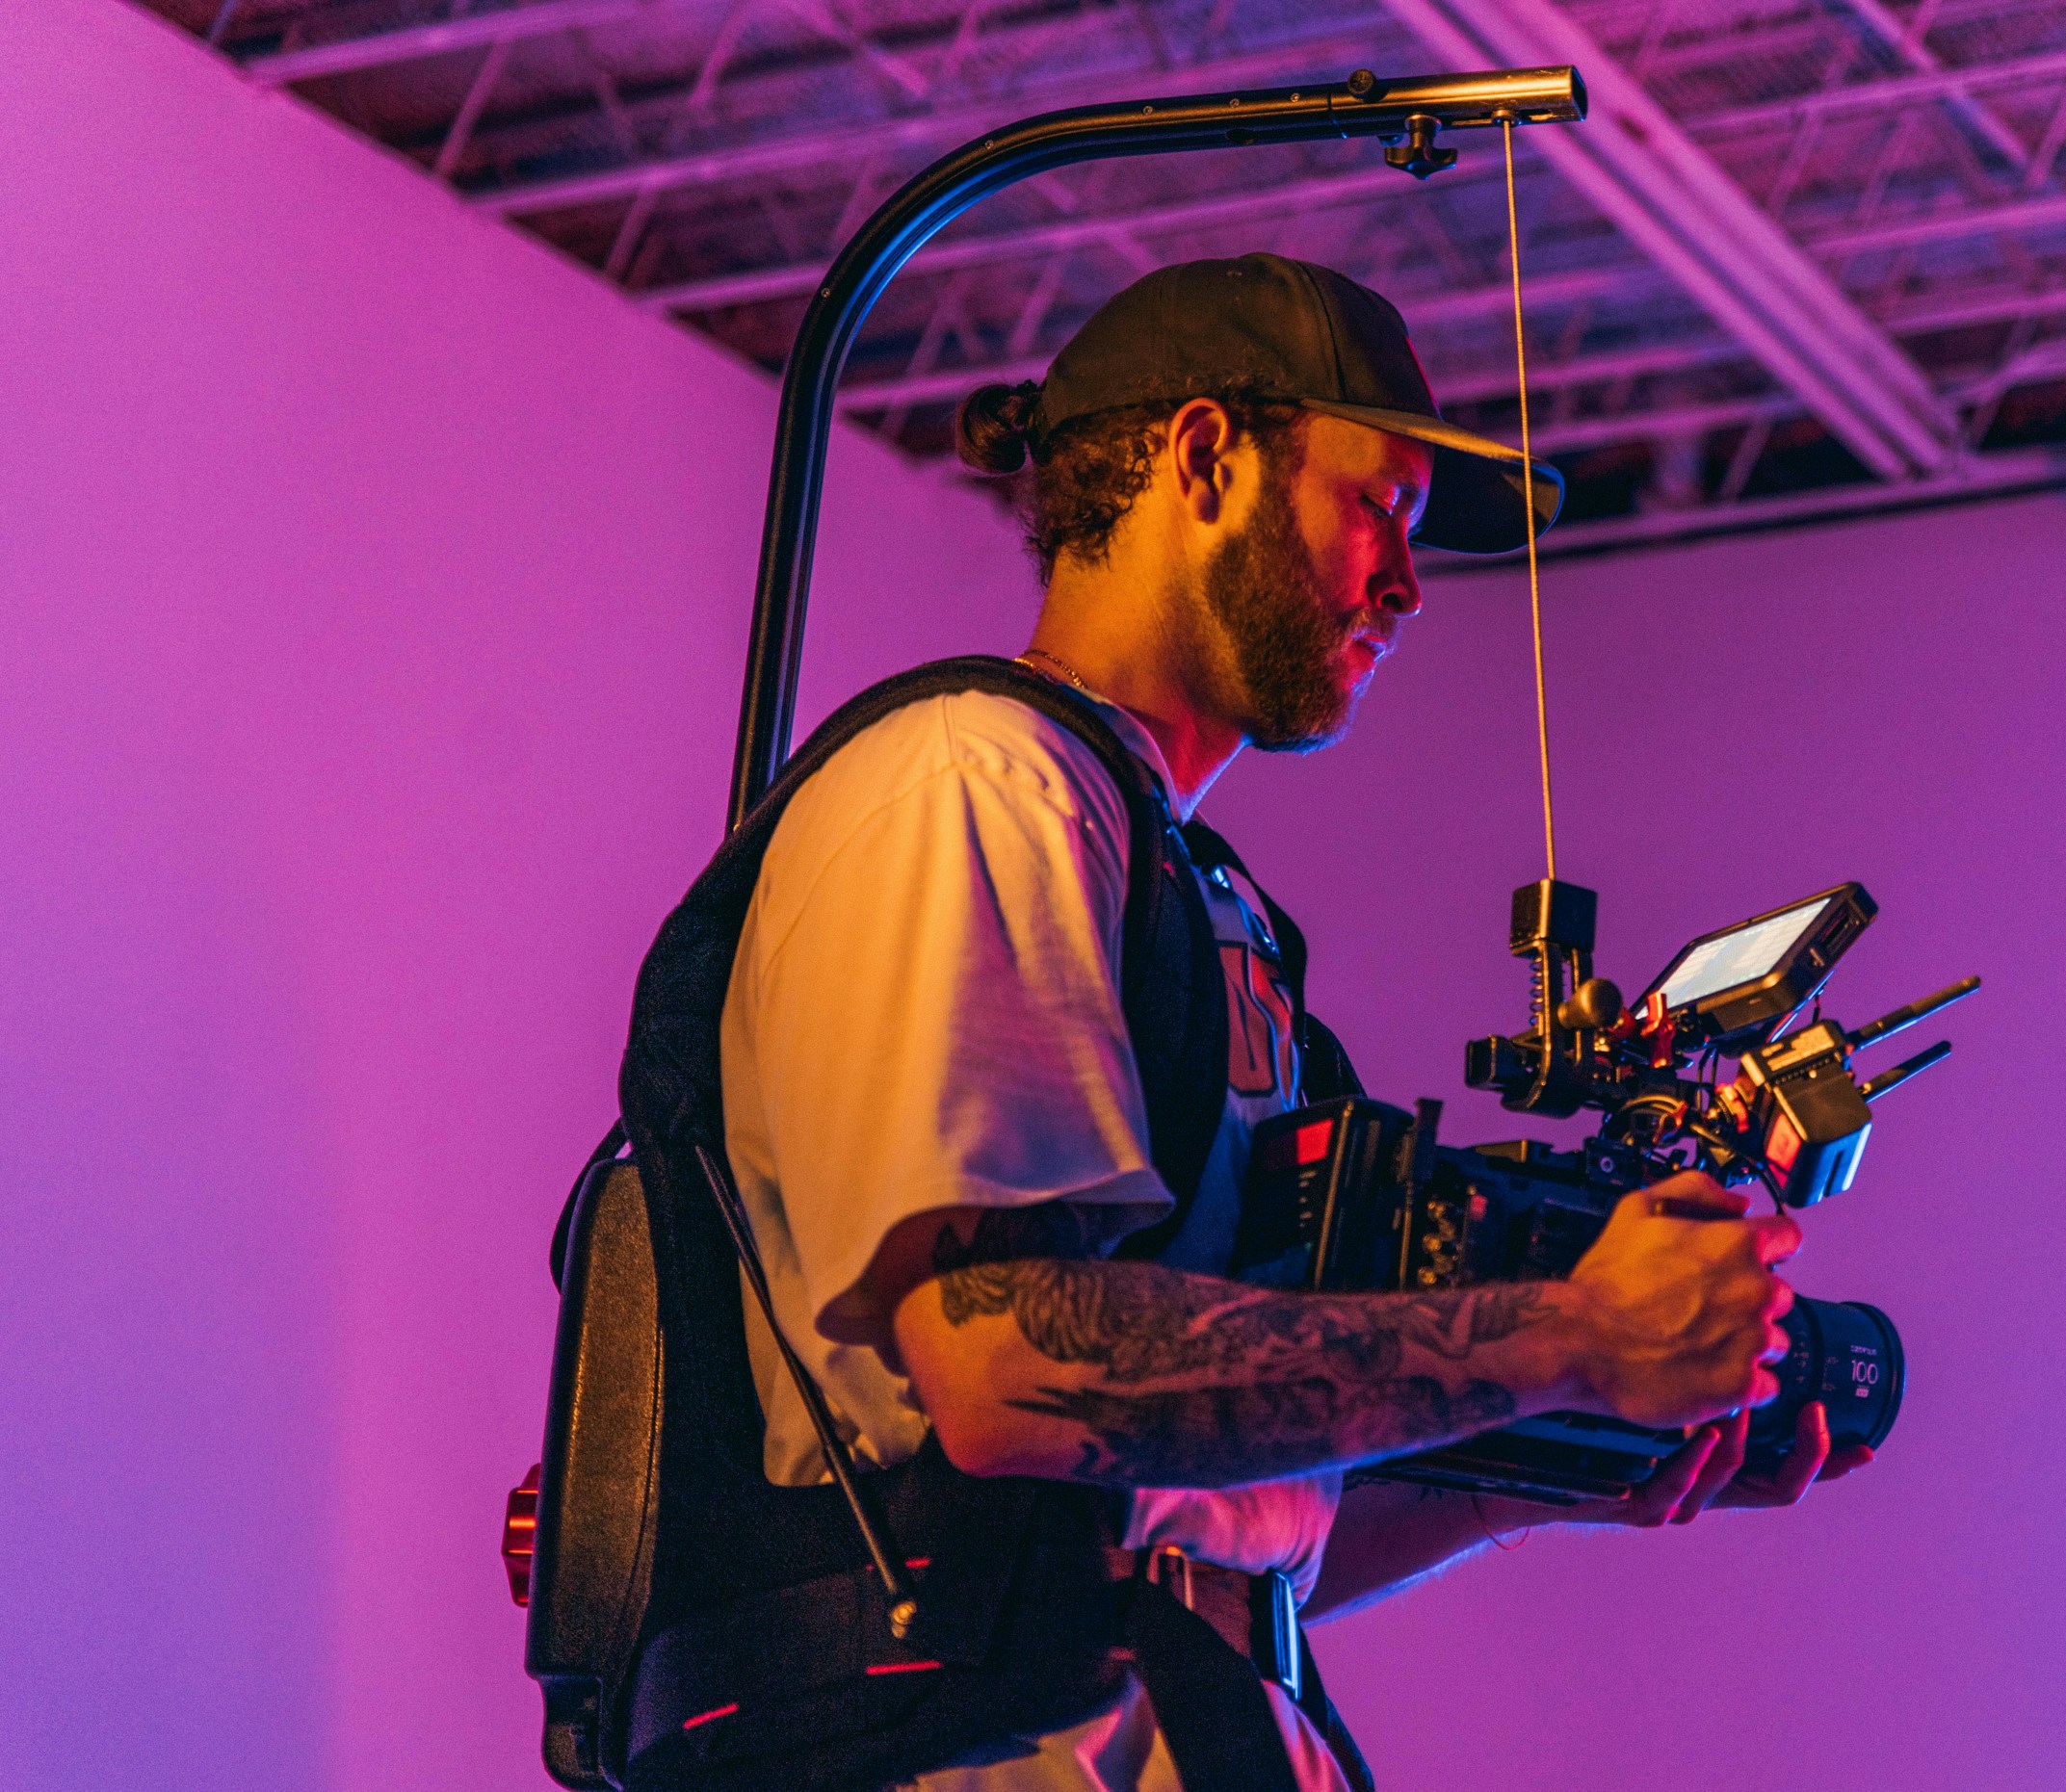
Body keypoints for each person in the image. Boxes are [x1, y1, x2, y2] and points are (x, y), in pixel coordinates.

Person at [706, 253, 1870, 1792]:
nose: (1404, 579)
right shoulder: (978, 790)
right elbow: (997, 1367)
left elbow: (1250, 1526)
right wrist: (1573, 1330)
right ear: (1203, 457)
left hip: (1200, 1715)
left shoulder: (1194, 897)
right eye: (1379, 501)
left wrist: (1575, 1449)